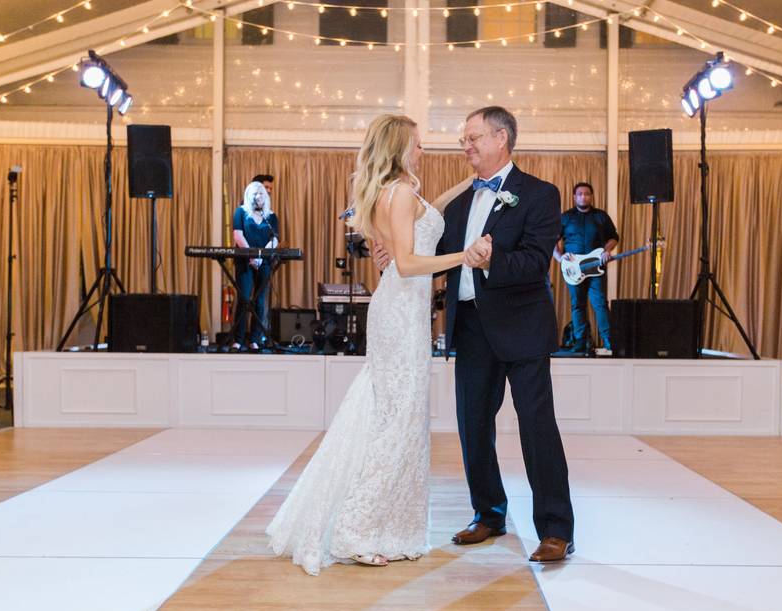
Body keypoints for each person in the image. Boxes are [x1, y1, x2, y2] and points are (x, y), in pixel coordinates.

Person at [265, 115, 474, 575]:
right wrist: (465, 256)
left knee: (391, 418)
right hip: (399, 315)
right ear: (400, 147)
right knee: (394, 424)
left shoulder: (397, 193)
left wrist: (467, 184)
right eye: (417, 144)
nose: (423, 151)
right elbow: (407, 262)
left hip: (402, 314)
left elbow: (425, 218)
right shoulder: (398, 193)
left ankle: (382, 524)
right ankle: (356, 530)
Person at [375, 106, 575, 563]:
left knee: (537, 429)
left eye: (473, 138)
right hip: (470, 328)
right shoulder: (461, 204)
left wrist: (491, 262)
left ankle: (557, 529)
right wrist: (388, 239)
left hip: (523, 329)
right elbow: (429, 249)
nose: (466, 146)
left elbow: (534, 262)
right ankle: (488, 514)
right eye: (465, 139)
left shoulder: (540, 194)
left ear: (501, 138)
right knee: (473, 428)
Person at [553, 182, 618, 353]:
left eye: (587, 193)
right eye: (580, 194)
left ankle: (609, 342)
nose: (584, 196)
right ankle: (580, 342)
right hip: (573, 270)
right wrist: (559, 257)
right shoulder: (565, 217)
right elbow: (551, 239)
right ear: (574, 197)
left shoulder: (601, 216)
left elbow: (613, 237)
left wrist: (606, 251)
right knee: (577, 305)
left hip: (596, 268)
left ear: (591, 196)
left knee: (600, 304)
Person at [231, 181, 279, 352]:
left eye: (262, 195)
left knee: (260, 301)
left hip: (264, 263)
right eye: (255, 194)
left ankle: (255, 339)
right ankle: (238, 339)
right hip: (245, 261)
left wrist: (262, 256)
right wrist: (251, 255)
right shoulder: (241, 212)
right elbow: (238, 235)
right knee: (244, 298)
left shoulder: (271, 216)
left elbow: (274, 239)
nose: (259, 197)